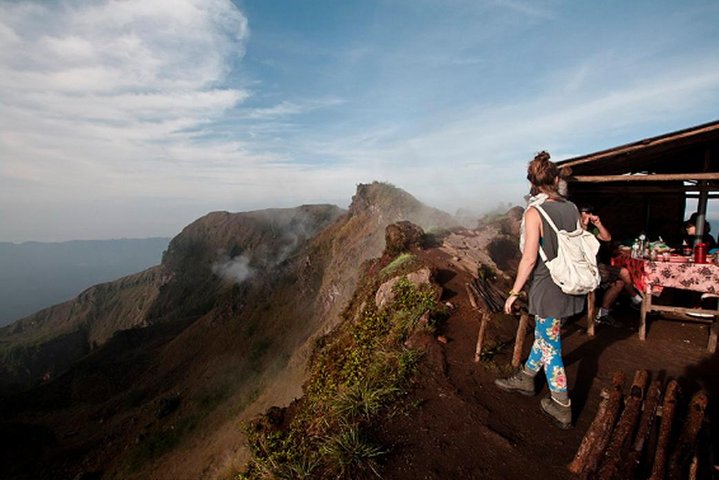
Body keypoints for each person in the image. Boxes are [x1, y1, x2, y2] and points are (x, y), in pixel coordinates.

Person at [494, 151, 584, 429]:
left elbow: (530, 258)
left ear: (532, 184)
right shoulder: (571, 208)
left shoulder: (534, 212)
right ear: (556, 179)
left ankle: (561, 404)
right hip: (569, 284)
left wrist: (513, 292)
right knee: (546, 335)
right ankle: (526, 377)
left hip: (547, 289)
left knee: (551, 345)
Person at [579, 204, 643, 326]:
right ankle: (634, 298)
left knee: (621, 280)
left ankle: (604, 313)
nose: (587, 216)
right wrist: (584, 225)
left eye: (589, 213)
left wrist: (598, 224)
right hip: (583, 267)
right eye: (585, 213)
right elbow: (578, 237)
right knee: (618, 276)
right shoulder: (575, 226)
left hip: (596, 265)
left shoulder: (593, 229)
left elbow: (607, 238)